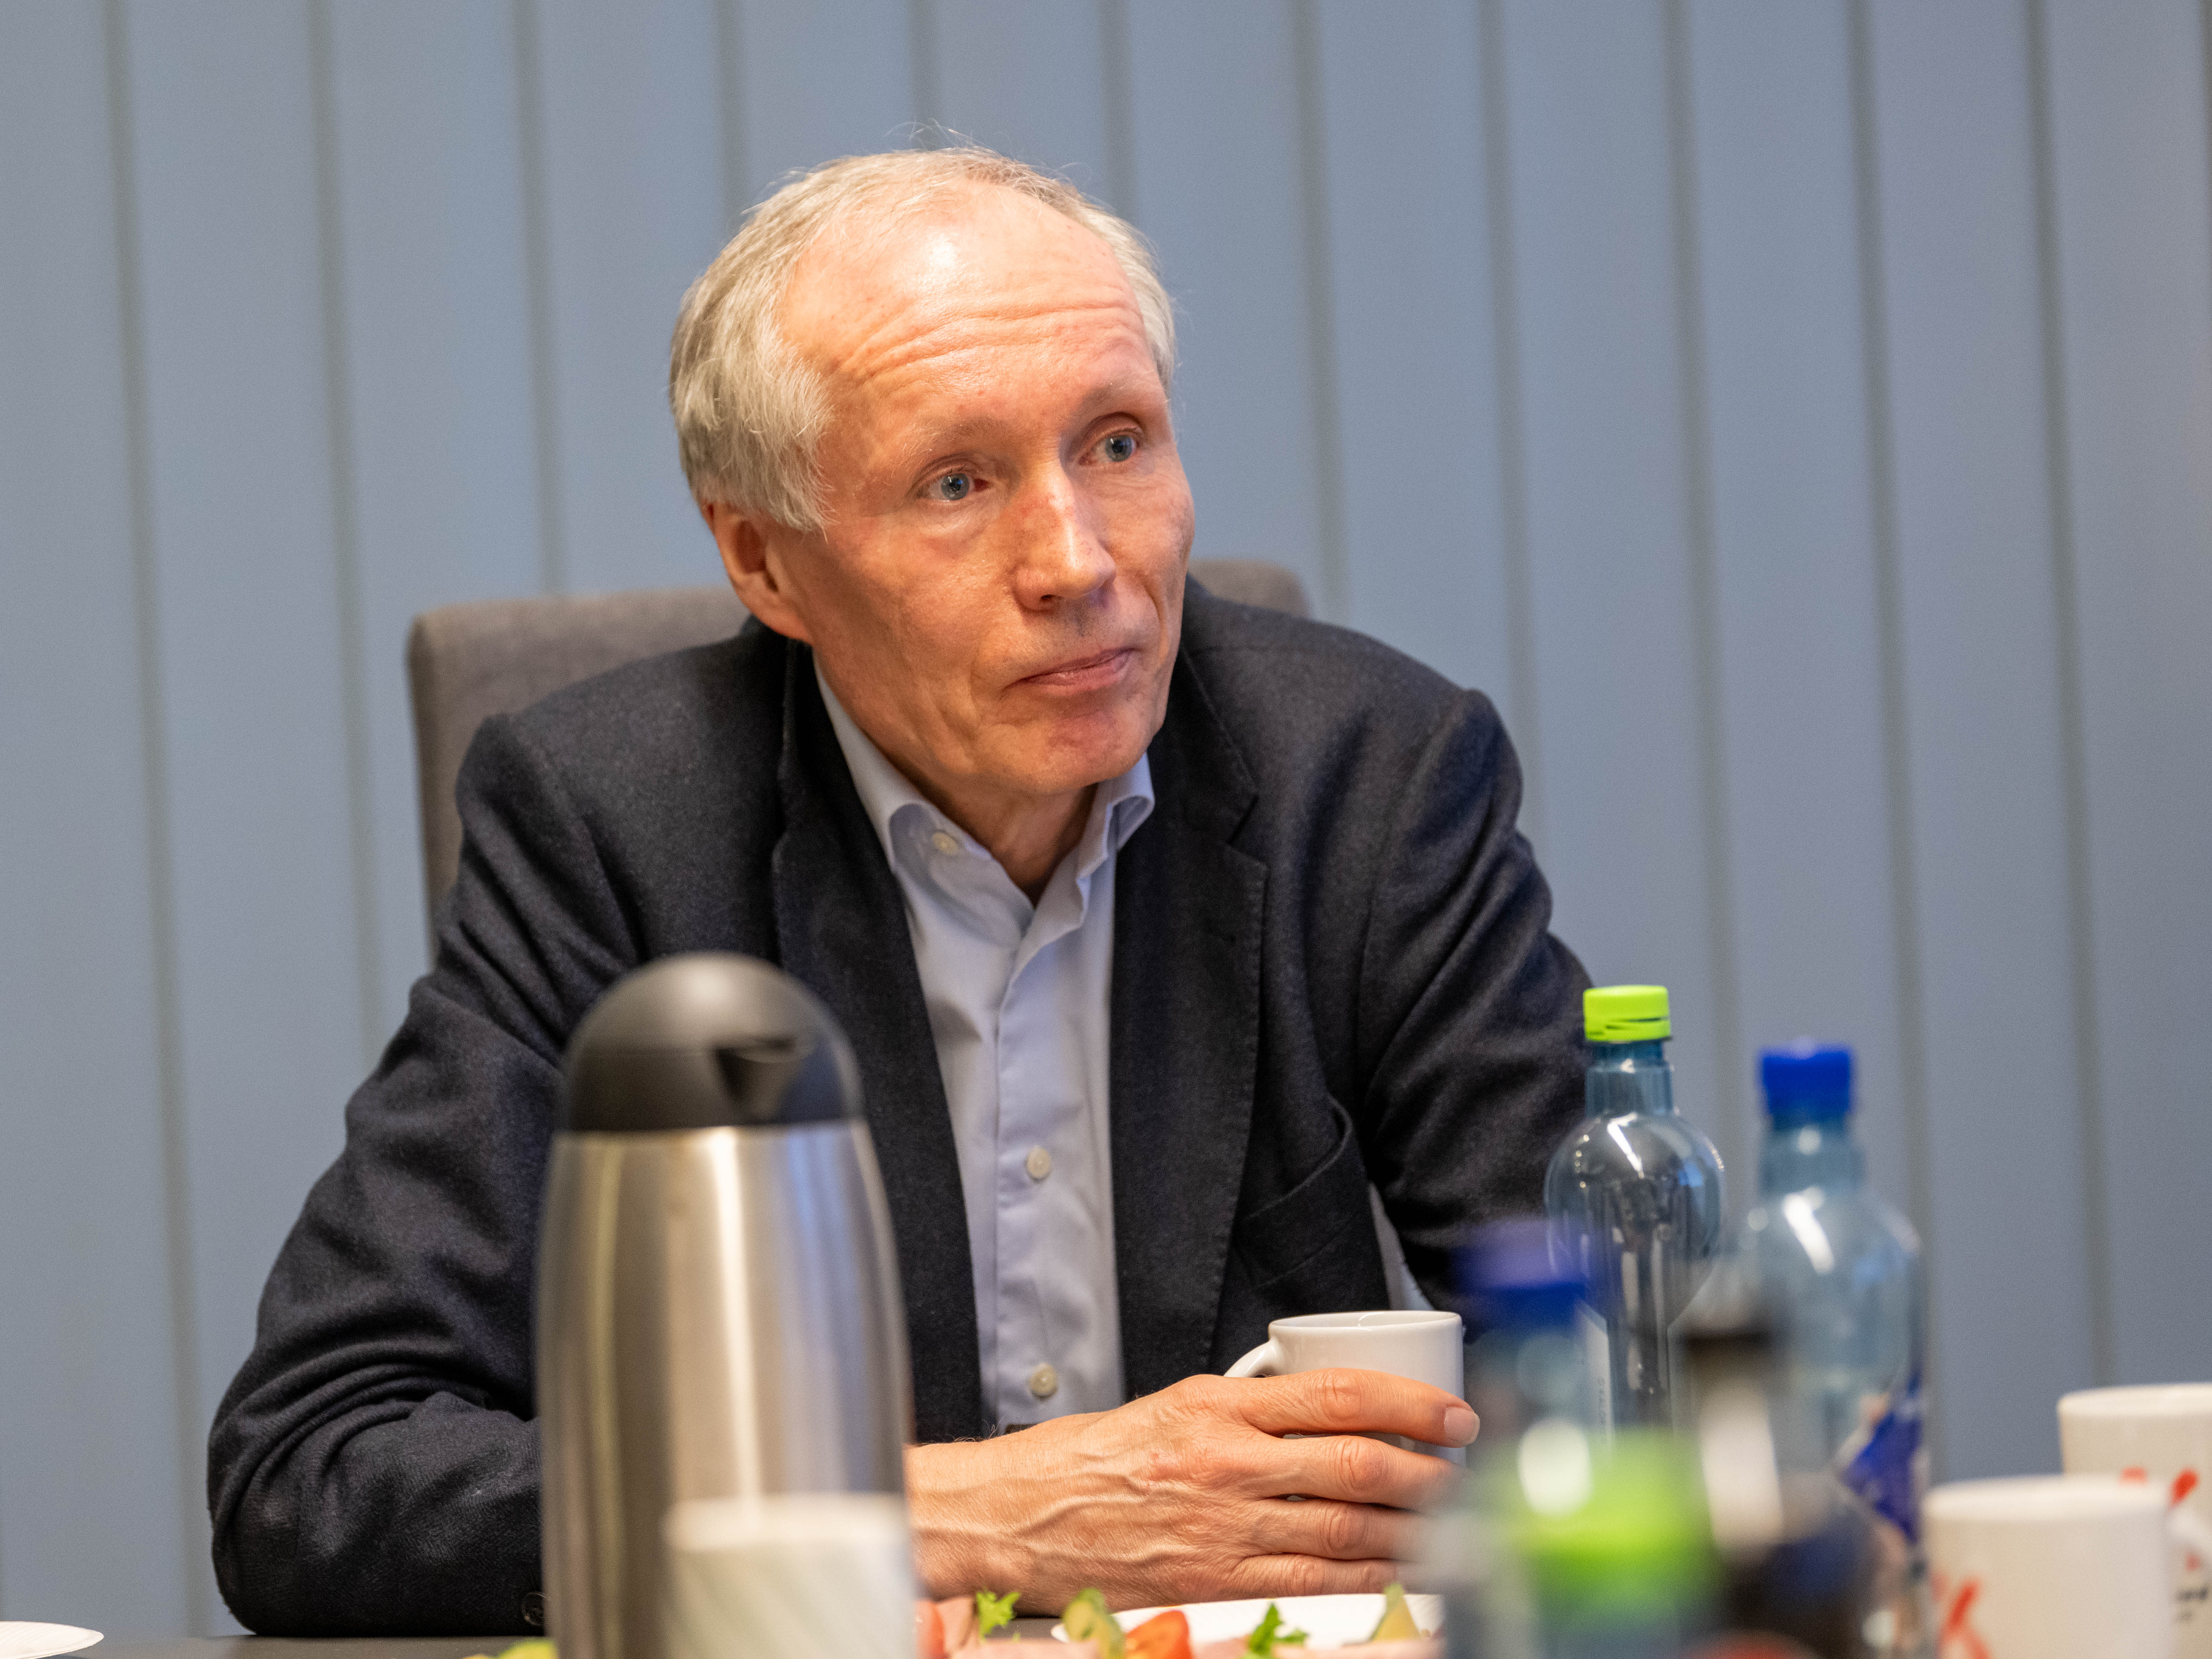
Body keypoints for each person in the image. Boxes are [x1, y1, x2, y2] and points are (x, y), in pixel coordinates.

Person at [208, 147, 1589, 1635]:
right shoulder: (615, 830)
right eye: (957, 483)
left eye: (1117, 442)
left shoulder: (1371, 778)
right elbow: (314, 1472)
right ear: (763, 562)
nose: (1077, 561)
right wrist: (948, 1513)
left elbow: (1626, 1365)